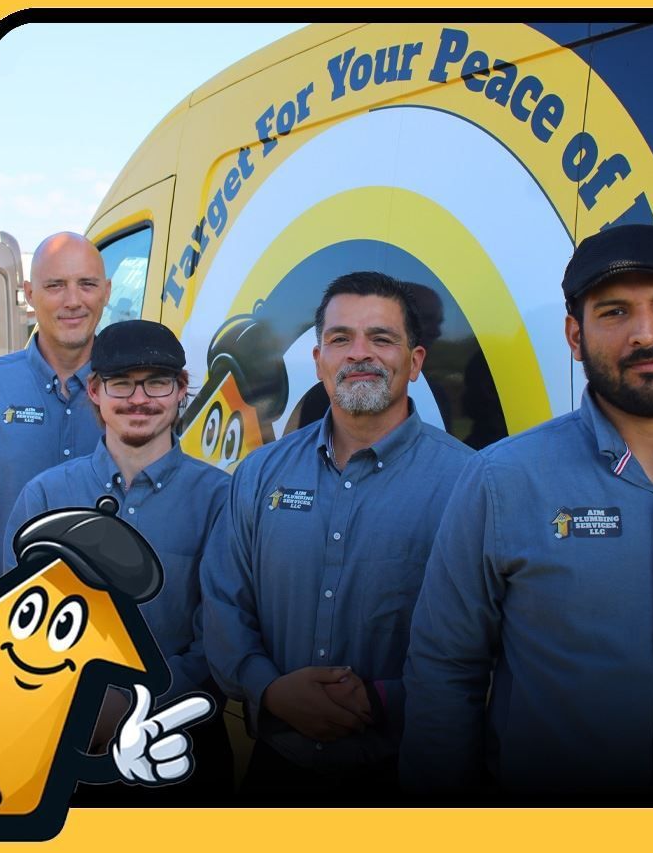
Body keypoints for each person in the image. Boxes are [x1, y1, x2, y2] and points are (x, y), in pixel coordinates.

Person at [401, 224, 653, 801]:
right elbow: (445, 671)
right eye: (614, 312)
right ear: (575, 335)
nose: (646, 334)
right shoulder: (501, 481)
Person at [201, 271, 474, 804]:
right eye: (340, 338)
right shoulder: (260, 475)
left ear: (415, 363)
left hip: (409, 776)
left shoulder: (471, 483)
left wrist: (382, 701)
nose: (359, 354)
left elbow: (489, 646)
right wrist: (270, 690)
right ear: (320, 358)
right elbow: (221, 604)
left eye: (382, 338)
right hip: (275, 774)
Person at [3, 319, 232, 804]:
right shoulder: (45, 496)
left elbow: (223, 632)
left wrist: (134, 701)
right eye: (121, 383)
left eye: (157, 382)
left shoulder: (222, 501)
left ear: (181, 390)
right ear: (95, 390)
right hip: (63, 745)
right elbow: (14, 624)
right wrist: (80, 701)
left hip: (182, 746)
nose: (139, 399)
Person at [0, 232, 111, 581]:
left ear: (107, 291)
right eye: (55, 285)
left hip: (109, 620)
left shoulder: (136, 399)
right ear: (29, 294)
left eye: (87, 284)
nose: (73, 300)